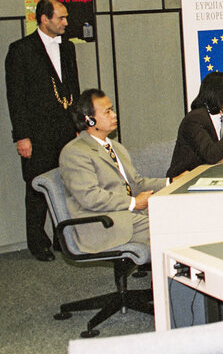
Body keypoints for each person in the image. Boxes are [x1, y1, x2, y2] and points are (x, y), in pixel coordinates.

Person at [5, 0, 80, 261]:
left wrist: (79, 126)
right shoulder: (21, 50)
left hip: (66, 131)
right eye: (60, 17)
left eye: (66, 17)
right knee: (37, 189)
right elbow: (16, 97)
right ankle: (37, 242)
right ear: (43, 19)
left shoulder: (68, 48)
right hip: (36, 135)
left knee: (66, 184)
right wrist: (21, 136)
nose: (66, 22)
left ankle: (64, 238)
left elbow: (73, 89)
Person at [59, 89, 167, 253]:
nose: (114, 115)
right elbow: (90, 196)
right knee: (170, 228)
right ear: (90, 120)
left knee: (177, 214)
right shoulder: (76, 151)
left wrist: (171, 182)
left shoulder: (116, 147)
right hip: (103, 223)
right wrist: (134, 203)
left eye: (112, 109)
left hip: (125, 213)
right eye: (107, 111)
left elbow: (136, 183)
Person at [166, 72, 223, 180]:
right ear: (218, 92)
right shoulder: (194, 119)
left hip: (218, 175)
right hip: (186, 179)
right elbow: (212, 155)